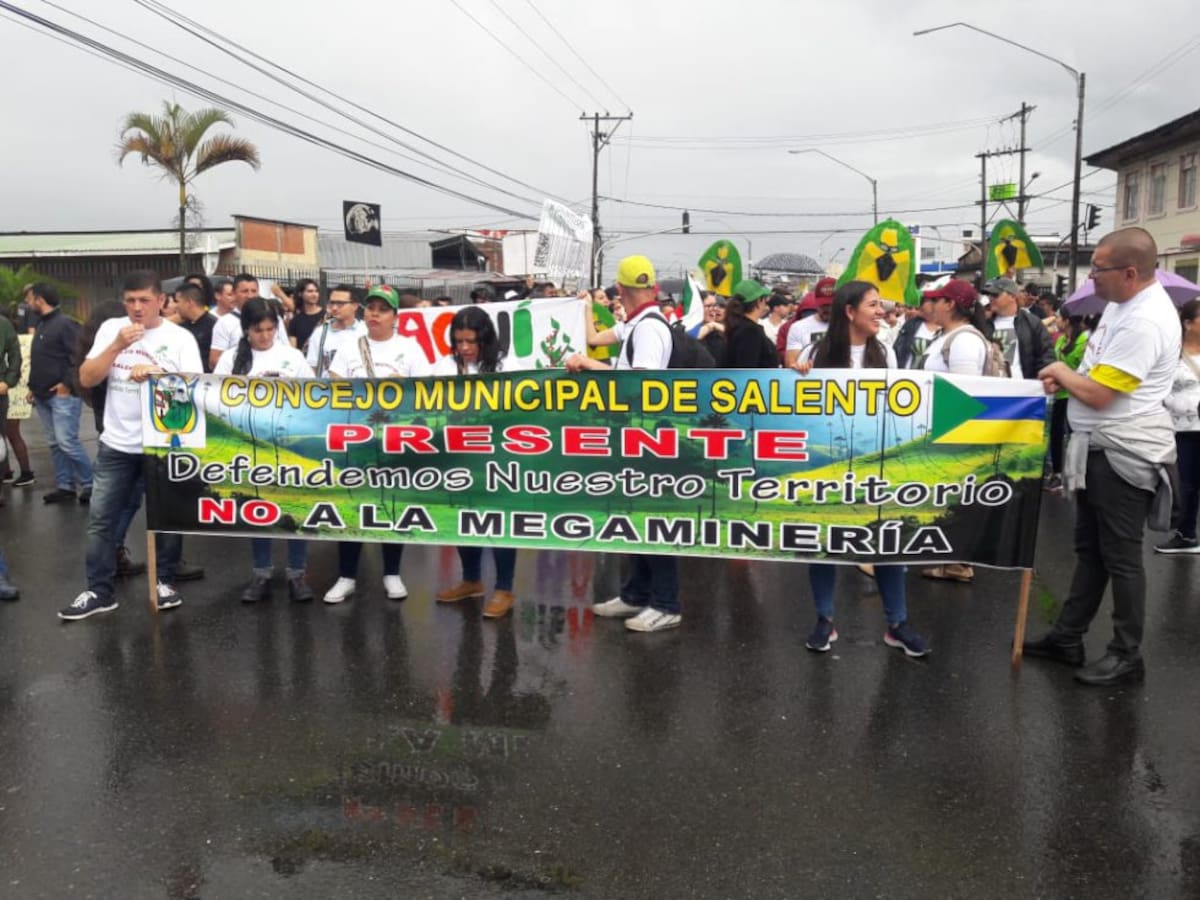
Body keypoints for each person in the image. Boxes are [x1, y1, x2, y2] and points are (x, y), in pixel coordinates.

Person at [1025, 228, 1181, 686]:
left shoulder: (1146, 320)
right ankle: (1068, 636)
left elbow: (1098, 394)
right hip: (1096, 448)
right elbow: (1093, 375)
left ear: (1130, 273)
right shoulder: (1120, 307)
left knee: (1121, 556)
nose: (1090, 276)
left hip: (1123, 450)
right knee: (1090, 550)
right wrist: (1070, 378)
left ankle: (1126, 654)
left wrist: (1059, 371)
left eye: (1099, 268)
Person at [791, 281, 930, 657]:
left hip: (876, 465)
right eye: (872, 304)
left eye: (881, 304)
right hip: (827, 465)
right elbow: (790, 408)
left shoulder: (884, 351)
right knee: (822, 543)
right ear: (849, 311)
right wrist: (797, 378)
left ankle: (897, 624)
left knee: (886, 542)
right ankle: (824, 620)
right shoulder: (815, 352)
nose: (881, 310)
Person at [59, 270, 202, 620]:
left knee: (167, 517)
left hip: (163, 444)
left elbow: (196, 390)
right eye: (130, 301)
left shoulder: (180, 338)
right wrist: (117, 346)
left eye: (145, 300)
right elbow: (86, 378)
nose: (137, 308)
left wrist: (157, 375)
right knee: (101, 519)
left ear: (161, 301)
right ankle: (98, 590)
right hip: (117, 443)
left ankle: (164, 580)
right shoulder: (111, 330)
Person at [564, 255, 681, 633]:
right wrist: (584, 308)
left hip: (648, 436)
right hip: (632, 436)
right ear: (649, 288)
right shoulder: (635, 323)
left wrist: (587, 364)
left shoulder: (648, 329)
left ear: (620, 289)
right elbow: (597, 338)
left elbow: (639, 381)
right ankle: (635, 595)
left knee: (652, 522)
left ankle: (666, 604)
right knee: (633, 520)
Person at [321, 286, 429, 605]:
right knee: (352, 504)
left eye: (382, 309)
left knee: (390, 504)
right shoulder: (350, 347)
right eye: (370, 308)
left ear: (395, 316)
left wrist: (402, 388)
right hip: (356, 439)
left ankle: (392, 573)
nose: (374, 314)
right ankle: (346, 576)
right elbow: (333, 388)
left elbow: (425, 394)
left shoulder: (410, 349)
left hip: (394, 440)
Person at [213, 298, 316, 602]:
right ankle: (262, 572)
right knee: (258, 510)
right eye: (259, 330)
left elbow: (312, 395)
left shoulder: (292, 356)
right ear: (246, 330)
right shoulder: (231, 359)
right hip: (249, 445)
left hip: (288, 445)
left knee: (295, 510)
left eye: (272, 329)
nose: (266, 336)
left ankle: (297, 573)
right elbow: (215, 398)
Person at [433, 305, 520, 618]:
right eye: (459, 341)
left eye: (471, 341)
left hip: (498, 460)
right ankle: (471, 580)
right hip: (459, 459)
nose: (464, 348)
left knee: (499, 523)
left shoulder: (509, 365)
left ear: (485, 339)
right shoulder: (444, 366)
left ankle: (504, 589)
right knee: (463, 520)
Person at [920, 278, 992, 583]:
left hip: (950, 434)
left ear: (950, 304)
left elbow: (964, 394)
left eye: (936, 300)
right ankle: (951, 561)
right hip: (936, 430)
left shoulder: (964, 341)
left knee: (951, 499)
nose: (930, 305)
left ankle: (955, 561)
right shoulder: (948, 337)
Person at [27, 283, 92, 504]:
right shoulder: (43, 324)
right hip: (42, 394)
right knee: (55, 443)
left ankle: (91, 483)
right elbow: (43, 359)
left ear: (40, 300)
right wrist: (32, 388)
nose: (27, 303)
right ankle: (65, 486)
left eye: (30, 299)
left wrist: (66, 384)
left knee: (67, 442)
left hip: (62, 395)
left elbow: (78, 357)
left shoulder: (65, 324)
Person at [1156, 298, 1200, 554]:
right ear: (1188, 323)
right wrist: (1184, 406)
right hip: (1183, 429)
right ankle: (1186, 534)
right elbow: (1160, 391)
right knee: (1186, 484)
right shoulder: (1172, 356)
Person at [1045, 312, 1090, 494]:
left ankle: (1075, 476)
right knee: (1055, 436)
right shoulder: (1061, 340)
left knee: (1073, 437)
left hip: (1075, 396)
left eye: (1059, 317)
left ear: (1067, 320)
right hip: (1059, 394)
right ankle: (1057, 473)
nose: (1056, 321)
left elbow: (1084, 370)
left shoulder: (1084, 342)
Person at [980, 278, 1057, 380]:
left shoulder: (1032, 323)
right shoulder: (983, 324)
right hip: (988, 387)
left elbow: (1046, 354)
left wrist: (1045, 379)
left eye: (995, 295)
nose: (991, 298)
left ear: (1012, 296)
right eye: (989, 295)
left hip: (1022, 389)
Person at [306, 284, 366, 376]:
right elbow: (312, 368)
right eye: (332, 303)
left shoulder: (365, 331)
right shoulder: (320, 333)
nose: (334, 308)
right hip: (328, 388)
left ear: (355, 306)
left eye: (340, 304)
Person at [723, 279, 780, 368]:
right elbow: (747, 368)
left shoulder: (738, 325)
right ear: (758, 301)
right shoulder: (750, 331)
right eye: (765, 299)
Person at [784, 277, 836, 366]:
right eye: (823, 305)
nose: (827, 309)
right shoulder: (798, 327)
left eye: (830, 305)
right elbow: (791, 363)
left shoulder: (850, 326)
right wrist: (799, 366)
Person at [174, 283, 217, 373]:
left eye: (177, 301)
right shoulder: (181, 327)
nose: (175, 306)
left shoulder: (215, 326)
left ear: (190, 302)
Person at [287, 279, 325, 353]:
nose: (314, 294)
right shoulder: (295, 321)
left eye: (316, 291)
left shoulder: (327, 316)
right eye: (310, 291)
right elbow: (293, 349)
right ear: (300, 294)